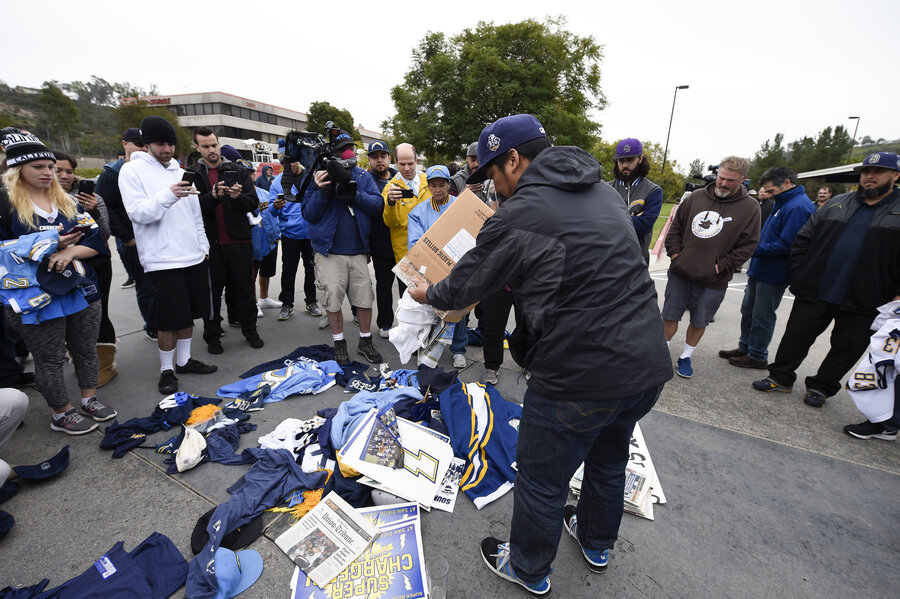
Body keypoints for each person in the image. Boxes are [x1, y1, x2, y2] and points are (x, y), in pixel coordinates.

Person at [409, 114, 672, 596]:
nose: (492, 184)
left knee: (541, 478)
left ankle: (528, 568)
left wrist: (427, 292)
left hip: (579, 373)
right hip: (646, 364)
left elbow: (463, 286)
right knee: (609, 459)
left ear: (514, 158)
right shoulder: (606, 194)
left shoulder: (521, 212)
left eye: (493, 172)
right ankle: (596, 542)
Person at [752, 152, 900, 408]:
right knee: (796, 336)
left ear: (895, 175)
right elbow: (803, 238)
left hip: (867, 296)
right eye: (866, 172)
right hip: (817, 288)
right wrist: (802, 271)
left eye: (878, 172)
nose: (870, 177)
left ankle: (821, 387)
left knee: (847, 347)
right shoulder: (837, 203)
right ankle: (780, 377)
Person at [0, 130, 116, 434]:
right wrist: (52, 242)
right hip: (33, 298)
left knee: (85, 348)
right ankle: (61, 412)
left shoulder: (67, 201)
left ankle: (89, 399)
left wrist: (70, 251)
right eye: (38, 167)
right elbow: (5, 253)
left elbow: (97, 240)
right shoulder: (5, 202)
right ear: (17, 169)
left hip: (79, 287)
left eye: (50, 167)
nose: (49, 173)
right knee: (49, 358)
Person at [119, 116, 217, 395]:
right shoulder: (132, 171)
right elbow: (138, 213)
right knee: (169, 319)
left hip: (193, 255)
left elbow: (195, 212)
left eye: (171, 143)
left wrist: (203, 246)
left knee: (188, 316)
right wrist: (168, 195)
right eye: (160, 143)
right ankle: (166, 369)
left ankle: (184, 361)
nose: (167, 149)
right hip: (163, 259)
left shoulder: (179, 170)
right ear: (146, 144)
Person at [662, 156, 761, 378]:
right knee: (669, 315)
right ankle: (661, 354)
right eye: (722, 178)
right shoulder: (696, 197)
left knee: (699, 320)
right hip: (681, 271)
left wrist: (720, 267)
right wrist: (676, 255)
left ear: (743, 180)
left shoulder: (750, 208)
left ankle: (685, 357)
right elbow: (675, 227)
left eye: (731, 180)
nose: (724, 184)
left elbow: (749, 245)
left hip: (714, 279)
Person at [301, 130, 383, 366]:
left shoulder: (363, 176)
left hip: (358, 252)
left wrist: (352, 191)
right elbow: (308, 214)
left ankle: (365, 341)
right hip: (329, 253)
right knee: (332, 300)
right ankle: (339, 343)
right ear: (332, 153)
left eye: (351, 148)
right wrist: (322, 191)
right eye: (342, 149)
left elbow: (377, 205)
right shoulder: (318, 176)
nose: (348, 153)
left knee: (365, 299)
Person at [719, 167, 814, 369]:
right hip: (760, 267)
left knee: (762, 315)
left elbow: (788, 244)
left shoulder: (797, 207)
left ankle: (758, 354)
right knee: (749, 310)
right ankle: (746, 347)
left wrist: (752, 249)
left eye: (771, 191)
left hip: (774, 272)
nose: (768, 195)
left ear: (787, 183)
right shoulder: (783, 202)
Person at [186, 128, 263, 353]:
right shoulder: (192, 174)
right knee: (212, 295)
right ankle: (212, 336)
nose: (212, 150)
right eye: (206, 146)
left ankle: (251, 330)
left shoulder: (237, 170)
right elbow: (193, 209)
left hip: (239, 242)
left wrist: (238, 197)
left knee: (245, 291)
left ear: (219, 144)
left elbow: (253, 203)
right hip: (211, 246)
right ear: (197, 148)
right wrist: (214, 196)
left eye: (214, 145)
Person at [54, 152, 119, 386]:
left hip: (95, 267)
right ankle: (80, 359)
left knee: (98, 315)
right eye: (57, 170)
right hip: (57, 269)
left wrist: (92, 211)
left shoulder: (91, 198)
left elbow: (103, 235)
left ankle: (104, 365)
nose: (64, 176)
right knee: (67, 317)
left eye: (69, 171)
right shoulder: (35, 201)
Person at [96, 127, 158, 338]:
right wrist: (128, 238)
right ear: (124, 144)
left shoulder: (153, 169)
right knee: (146, 286)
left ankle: (166, 321)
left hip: (156, 236)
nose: (141, 147)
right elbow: (107, 210)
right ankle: (153, 326)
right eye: (137, 143)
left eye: (144, 143)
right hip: (131, 239)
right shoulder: (111, 174)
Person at [407, 165, 469, 368]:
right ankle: (425, 344)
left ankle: (459, 349)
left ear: (448, 185)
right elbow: (415, 243)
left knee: (457, 308)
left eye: (442, 185)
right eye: (433, 185)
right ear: (429, 187)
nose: (438, 189)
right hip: (431, 266)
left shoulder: (460, 206)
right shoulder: (419, 211)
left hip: (457, 265)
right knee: (428, 310)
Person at [269, 164, 321, 321]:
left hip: (311, 233)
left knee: (311, 270)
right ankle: (287, 304)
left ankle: (311, 302)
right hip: (289, 234)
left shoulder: (311, 177)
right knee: (288, 271)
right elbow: (272, 209)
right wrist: (275, 206)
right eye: (284, 162)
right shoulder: (278, 181)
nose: (288, 165)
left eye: (291, 161)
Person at [382, 143, 430, 283]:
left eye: (410, 163)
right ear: (395, 162)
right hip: (406, 257)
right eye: (402, 164)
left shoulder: (429, 182)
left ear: (416, 160)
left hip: (430, 252)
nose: (407, 168)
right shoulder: (390, 188)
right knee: (409, 303)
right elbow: (390, 222)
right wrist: (391, 203)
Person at [610, 138, 663, 264]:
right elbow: (597, 223)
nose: (625, 165)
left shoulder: (653, 190)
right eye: (621, 161)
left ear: (640, 159)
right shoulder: (607, 188)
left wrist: (613, 218)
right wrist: (631, 218)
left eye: (630, 160)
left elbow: (643, 226)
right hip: (609, 260)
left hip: (637, 262)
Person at [366, 141, 398, 337]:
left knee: (407, 290)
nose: (379, 160)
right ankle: (385, 323)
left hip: (403, 243)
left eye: (383, 156)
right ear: (369, 159)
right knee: (384, 286)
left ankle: (407, 326)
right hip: (380, 244)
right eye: (375, 156)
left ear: (389, 158)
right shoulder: (365, 181)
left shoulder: (400, 178)